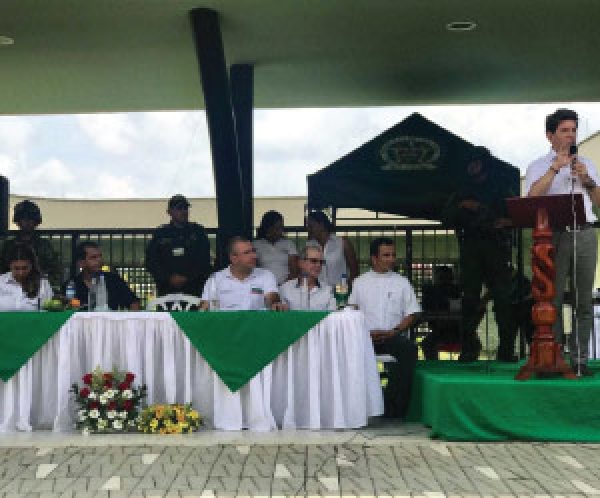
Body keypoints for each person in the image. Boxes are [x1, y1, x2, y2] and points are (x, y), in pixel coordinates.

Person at [525, 108, 600, 376]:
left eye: (573, 130)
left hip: (585, 233)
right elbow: (532, 198)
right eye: (564, 130)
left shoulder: (587, 163)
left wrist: (587, 181)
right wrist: (554, 169)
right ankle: (553, 358)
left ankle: (580, 360)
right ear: (550, 135)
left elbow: (598, 203)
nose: (571, 135)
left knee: (583, 300)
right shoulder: (537, 165)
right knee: (551, 299)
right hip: (553, 235)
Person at [445, 146, 517, 362]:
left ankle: (506, 351)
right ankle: (468, 349)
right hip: (470, 247)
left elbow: (517, 216)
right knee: (469, 300)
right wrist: (463, 206)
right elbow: (446, 217)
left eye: (476, 162)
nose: (472, 166)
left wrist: (502, 221)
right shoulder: (461, 190)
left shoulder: (501, 187)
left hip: (496, 247)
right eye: (470, 162)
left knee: (503, 300)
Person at [348, 237, 420, 419]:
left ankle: (394, 406)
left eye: (393, 255)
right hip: (365, 338)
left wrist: (395, 331)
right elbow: (351, 311)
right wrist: (365, 334)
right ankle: (354, 406)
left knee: (410, 349)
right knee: (346, 351)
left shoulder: (402, 282)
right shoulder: (359, 282)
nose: (391, 259)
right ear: (374, 258)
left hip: (392, 336)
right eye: (386, 255)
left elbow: (412, 314)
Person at [145, 194, 212, 297]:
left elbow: (205, 261)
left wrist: (187, 277)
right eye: (179, 208)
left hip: (194, 290)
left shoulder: (198, 231)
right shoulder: (160, 233)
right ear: (169, 212)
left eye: (186, 208)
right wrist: (168, 277)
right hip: (166, 291)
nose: (184, 211)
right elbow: (151, 262)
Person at [201, 236, 284, 311]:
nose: (254, 256)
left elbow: (273, 297)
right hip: (225, 325)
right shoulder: (215, 279)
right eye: (247, 253)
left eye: (253, 251)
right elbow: (204, 307)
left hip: (256, 325)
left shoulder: (266, 275)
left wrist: (275, 304)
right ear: (233, 258)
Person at [0, 200, 61, 287]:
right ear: (18, 221)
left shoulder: (44, 245)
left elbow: (55, 272)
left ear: (36, 222)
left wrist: (42, 282)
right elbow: (2, 271)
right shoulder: (9, 245)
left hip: (38, 288)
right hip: (12, 288)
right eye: (24, 219)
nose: (27, 222)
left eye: (31, 219)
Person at [65, 241, 140, 311]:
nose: (99, 260)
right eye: (93, 257)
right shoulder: (71, 284)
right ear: (81, 263)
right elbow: (63, 309)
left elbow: (134, 303)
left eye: (100, 256)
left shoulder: (114, 280)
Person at [305, 210, 359, 286]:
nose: (308, 229)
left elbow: (354, 270)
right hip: (318, 292)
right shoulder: (309, 246)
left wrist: (347, 288)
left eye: (311, 226)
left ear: (321, 225)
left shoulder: (342, 242)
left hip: (340, 292)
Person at [420, 265, 462, 360]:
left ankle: (466, 368)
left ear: (452, 278)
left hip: (457, 331)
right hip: (439, 330)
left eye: (448, 278)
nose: (445, 281)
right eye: (442, 278)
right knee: (427, 343)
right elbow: (426, 311)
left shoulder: (457, 291)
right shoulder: (431, 293)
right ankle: (434, 367)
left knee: (474, 344)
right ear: (437, 279)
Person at [279, 245, 336, 311]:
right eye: (314, 261)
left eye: (321, 262)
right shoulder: (285, 289)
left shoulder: (329, 291)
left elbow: (332, 317)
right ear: (301, 263)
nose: (318, 265)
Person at [0, 243, 53, 311]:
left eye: (25, 268)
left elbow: (47, 312)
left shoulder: (42, 283)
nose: (21, 273)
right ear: (9, 265)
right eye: (16, 268)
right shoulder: (1, 281)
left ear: (31, 265)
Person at [253, 210, 299, 285]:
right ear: (268, 228)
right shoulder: (256, 245)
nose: (280, 231)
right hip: (264, 287)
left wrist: (283, 286)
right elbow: (253, 270)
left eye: (281, 227)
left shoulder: (289, 244)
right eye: (277, 228)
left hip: (287, 287)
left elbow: (294, 271)